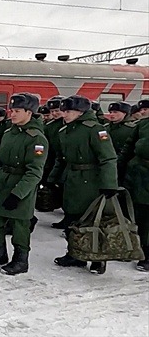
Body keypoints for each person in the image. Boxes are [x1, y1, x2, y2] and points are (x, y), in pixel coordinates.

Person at [0, 93, 48, 275]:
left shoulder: (36, 138)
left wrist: (18, 194)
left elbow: (34, 171)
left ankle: (20, 259)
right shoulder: (10, 133)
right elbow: (1, 160)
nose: (12, 114)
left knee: (20, 225)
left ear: (29, 112)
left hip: (21, 185)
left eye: (17, 111)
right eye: (12, 110)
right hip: (2, 182)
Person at [50, 95, 118, 275]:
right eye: (63, 111)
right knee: (73, 219)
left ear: (80, 112)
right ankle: (75, 253)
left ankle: (99, 259)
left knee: (95, 220)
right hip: (72, 179)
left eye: (68, 111)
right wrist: (53, 178)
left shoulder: (95, 130)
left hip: (92, 181)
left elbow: (108, 158)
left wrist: (109, 184)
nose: (64, 114)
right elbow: (61, 158)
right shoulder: (64, 131)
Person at [119, 99, 149, 271]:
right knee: (134, 214)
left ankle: (147, 255)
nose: (143, 112)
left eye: (146, 109)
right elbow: (129, 146)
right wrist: (118, 168)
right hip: (137, 175)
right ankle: (134, 249)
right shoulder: (142, 125)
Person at [43, 96, 67, 222]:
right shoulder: (49, 126)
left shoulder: (68, 124)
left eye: (57, 110)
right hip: (53, 161)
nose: (54, 113)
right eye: (52, 111)